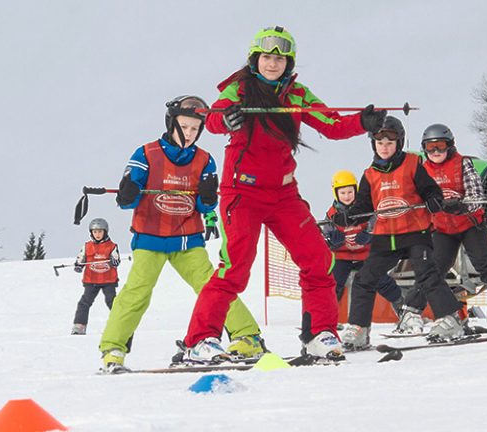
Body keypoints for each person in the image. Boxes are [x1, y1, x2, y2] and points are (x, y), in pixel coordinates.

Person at [181, 26, 386, 363]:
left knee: (319, 259)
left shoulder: (297, 94)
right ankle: (199, 341)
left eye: (280, 58)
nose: (272, 63)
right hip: (243, 192)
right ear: (255, 59)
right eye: (266, 57)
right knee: (235, 269)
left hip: (283, 194)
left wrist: (363, 122)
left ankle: (320, 333)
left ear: (288, 62)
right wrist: (227, 120)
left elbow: (331, 125)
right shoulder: (240, 88)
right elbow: (214, 120)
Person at [98, 95, 263, 373]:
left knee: (214, 287)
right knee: (137, 293)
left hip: (188, 240)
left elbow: (205, 205)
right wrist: (128, 192)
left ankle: (247, 337)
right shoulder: (147, 153)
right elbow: (127, 200)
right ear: (171, 123)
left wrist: (208, 197)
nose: (188, 134)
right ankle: (113, 349)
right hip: (150, 239)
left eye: (194, 129)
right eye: (184, 127)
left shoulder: (204, 160)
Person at [333, 116, 466, 350]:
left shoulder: (413, 164)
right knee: (365, 278)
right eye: (380, 142)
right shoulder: (370, 174)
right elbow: (361, 208)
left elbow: (430, 191)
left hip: (415, 232)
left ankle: (450, 318)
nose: (384, 147)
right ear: (373, 144)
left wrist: (434, 200)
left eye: (390, 142)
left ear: (399, 143)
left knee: (426, 273)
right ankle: (359, 328)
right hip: (385, 236)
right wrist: (346, 216)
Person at [395, 123, 487, 335]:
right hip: (443, 228)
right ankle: (411, 312)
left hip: (470, 223)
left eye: (440, 147)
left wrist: (462, 204)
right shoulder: (422, 171)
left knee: (484, 262)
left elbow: (476, 194)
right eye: (430, 148)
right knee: (433, 269)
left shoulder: (463, 164)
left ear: (450, 146)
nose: (435, 152)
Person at [321, 170, 404, 311]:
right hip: (343, 257)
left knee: (379, 278)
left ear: (356, 191)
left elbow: (378, 225)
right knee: (334, 282)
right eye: (342, 193)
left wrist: (369, 236)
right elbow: (326, 235)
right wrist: (332, 239)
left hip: (364, 255)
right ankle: (328, 316)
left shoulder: (365, 209)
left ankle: (401, 305)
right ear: (336, 193)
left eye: (350, 192)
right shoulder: (332, 214)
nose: (346, 196)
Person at [71, 218, 120, 336]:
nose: (97, 234)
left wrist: (114, 261)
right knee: (84, 302)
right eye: (95, 232)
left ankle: (120, 325)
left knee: (112, 301)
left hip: (108, 280)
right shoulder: (87, 246)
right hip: (91, 279)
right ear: (91, 233)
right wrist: (79, 265)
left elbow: (116, 259)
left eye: (100, 232)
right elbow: (81, 258)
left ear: (105, 232)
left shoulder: (112, 246)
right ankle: (79, 326)